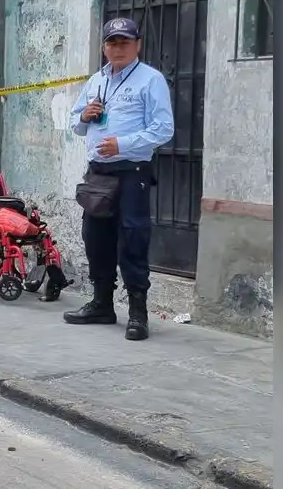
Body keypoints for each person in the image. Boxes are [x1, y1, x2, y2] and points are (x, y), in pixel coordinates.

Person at [65, 18, 174, 341]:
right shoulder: (96, 80)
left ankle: (138, 312)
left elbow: (163, 129)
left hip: (131, 173)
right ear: (104, 47)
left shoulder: (150, 80)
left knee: (132, 239)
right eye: (112, 43)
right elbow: (74, 121)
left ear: (137, 44)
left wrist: (122, 144)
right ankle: (102, 303)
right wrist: (84, 117)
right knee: (95, 237)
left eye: (125, 42)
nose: (118, 48)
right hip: (98, 174)